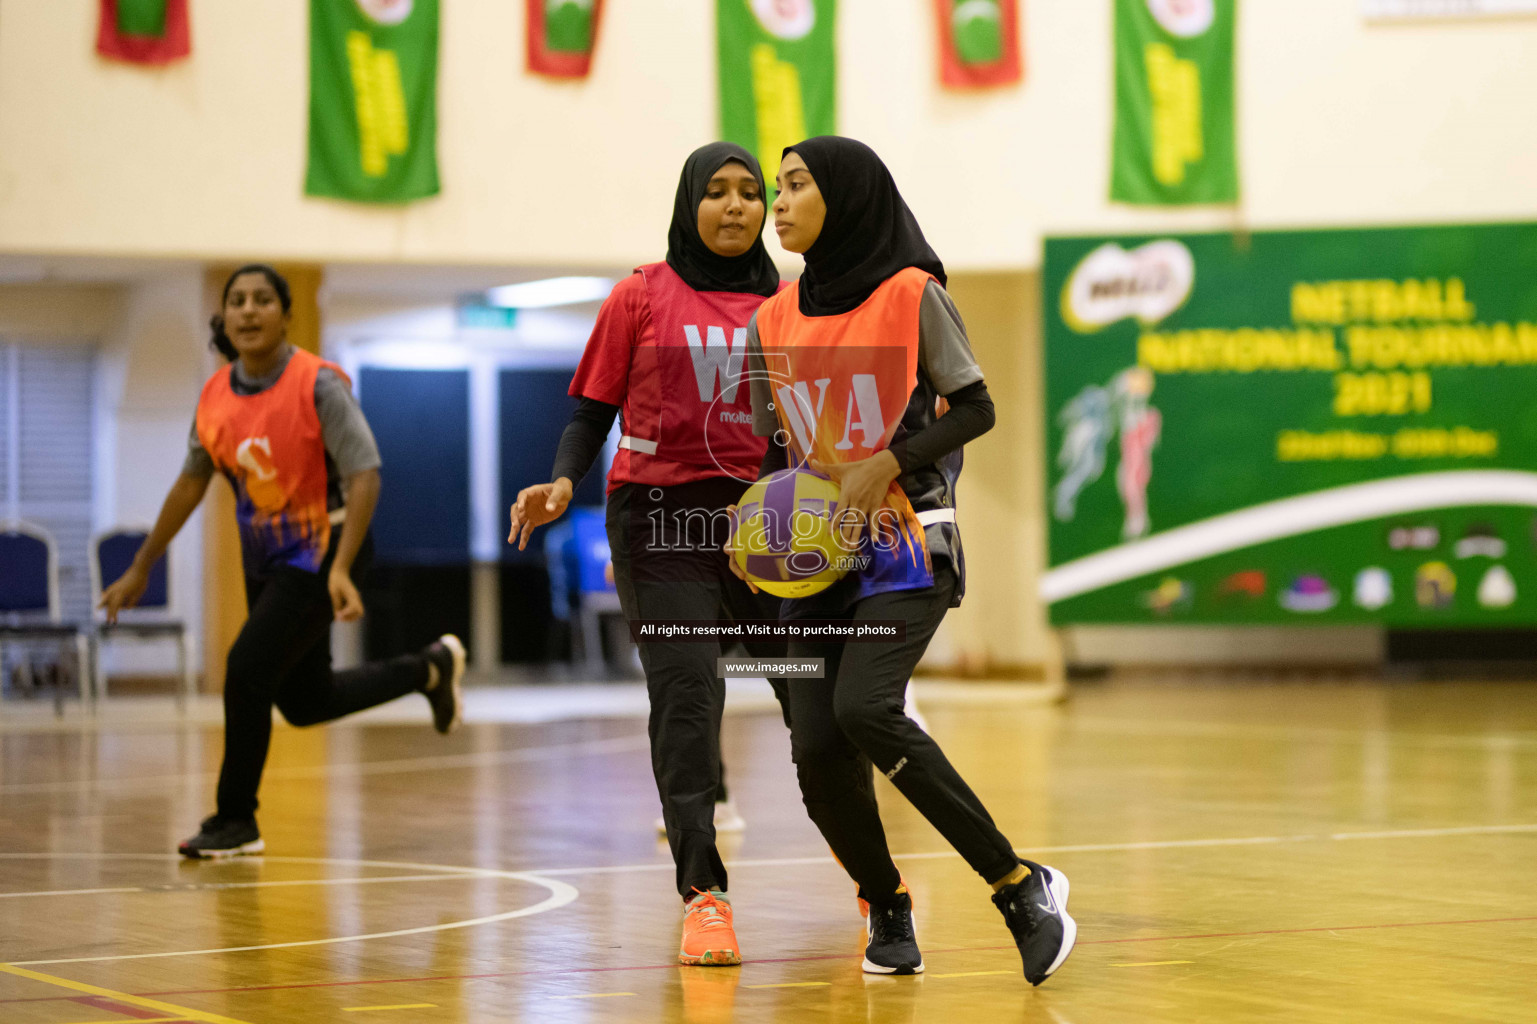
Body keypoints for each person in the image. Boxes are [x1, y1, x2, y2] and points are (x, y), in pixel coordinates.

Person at [737, 137, 1076, 984]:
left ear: (846, 198)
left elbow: (977, 407)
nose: (777, 204)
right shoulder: (769, 318)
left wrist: (883, 463)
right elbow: (769, 449)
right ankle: (886, 905)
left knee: (865, 710)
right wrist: (760, 534)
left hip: (906, 545)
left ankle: (1017, 885)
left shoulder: (911, 296)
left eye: (794, 187)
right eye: (775, 190)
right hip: (816, 561)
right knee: (814, 747)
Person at [507, 143, 791, 967]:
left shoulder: (790, 304)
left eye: (750, 193)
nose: (735, 206)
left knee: (812, 696)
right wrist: (562, 483)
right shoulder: (639, 295)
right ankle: (704, 896)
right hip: (660, 520)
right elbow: (590, 412)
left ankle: (870, 878)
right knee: (688, 693)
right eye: (716, 192)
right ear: (688, 204)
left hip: (761, 522)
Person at [100, 264, 465, 859]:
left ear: (285, 314)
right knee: (303, 700)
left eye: (262, 300)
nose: (248, 310)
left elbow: (365, 474)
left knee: (244, 668)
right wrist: (142, 565)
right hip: (269, 558)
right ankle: (429, 669)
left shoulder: (318, 383)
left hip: (327, 549)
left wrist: (343, 568)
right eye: (237, 300)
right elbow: (190, 485)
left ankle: (235, 819)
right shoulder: (216, 395)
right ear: (226, 316)